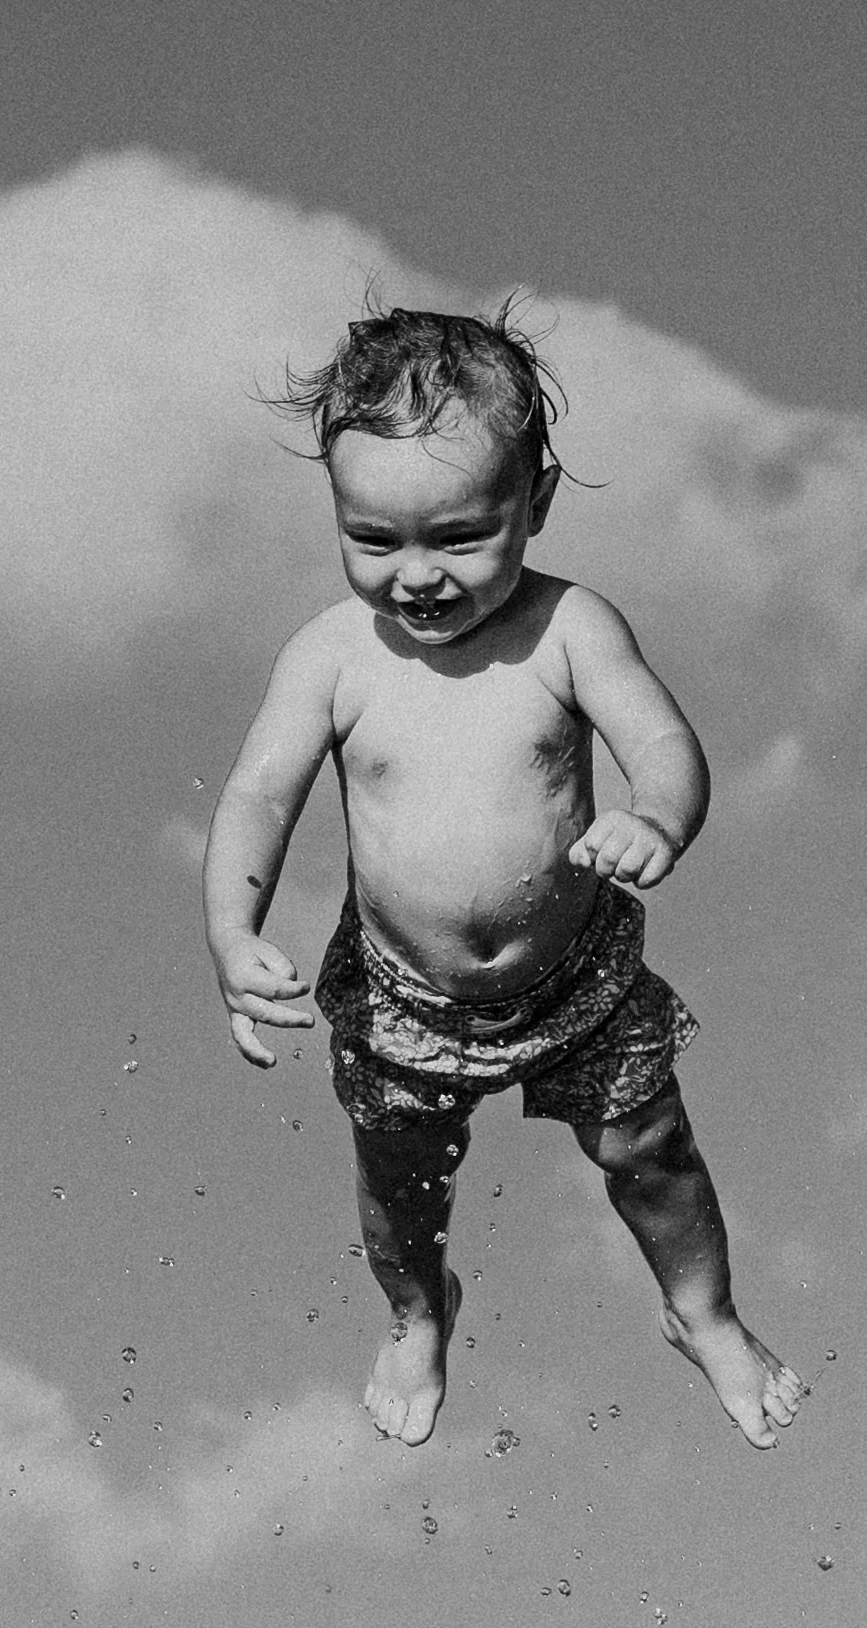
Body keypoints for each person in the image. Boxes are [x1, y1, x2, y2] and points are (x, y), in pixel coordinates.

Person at [198, 306, 803, 1451]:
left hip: (576, 974)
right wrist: (233, 935)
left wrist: (658, 818)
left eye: (460, 537)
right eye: (375, 540)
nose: (417, 576)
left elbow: (662, 742)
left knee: (651, 1151)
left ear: (536, 503)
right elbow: (258, 797)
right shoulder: (331, 655)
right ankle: (419, 1313)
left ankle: (704, 1314)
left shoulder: (568, 628)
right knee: (400, 1184)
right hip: (402, 997)